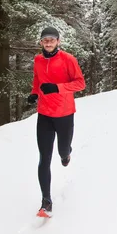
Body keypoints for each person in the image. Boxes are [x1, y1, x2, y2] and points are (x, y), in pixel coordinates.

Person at [27, 27, 85, 217]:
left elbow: (80, 83)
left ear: (58, 41)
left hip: (64, 114)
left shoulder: (68, 59)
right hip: (44, 114)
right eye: (45, 40)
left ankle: (66, 155)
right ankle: (46, 201)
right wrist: (35, 93)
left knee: (62, 151)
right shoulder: (37, 60)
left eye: (52, 40)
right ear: (41, 43)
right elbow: (37, 79)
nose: (49, 43)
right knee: (44, 158)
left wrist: (57, 88)